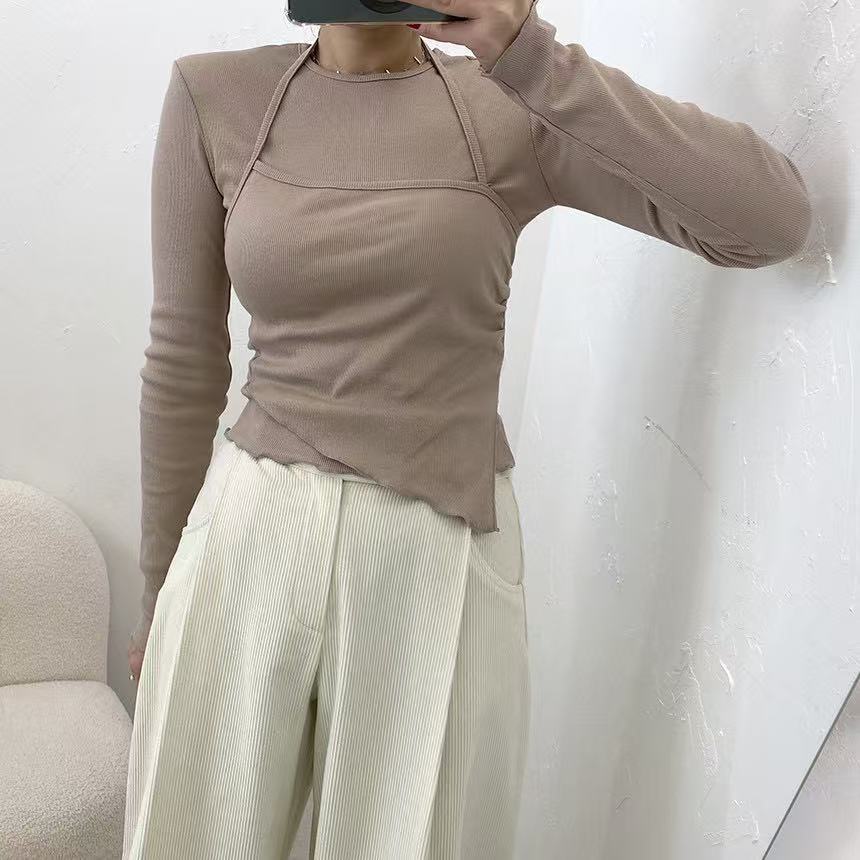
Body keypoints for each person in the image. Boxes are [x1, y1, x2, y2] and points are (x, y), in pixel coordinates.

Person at [122, 0, 813, 857]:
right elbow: (184, 359)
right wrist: (160, 591)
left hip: (437, 545)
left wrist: (531, 57)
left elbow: (770, 222)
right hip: (248, 537)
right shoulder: (214, 96)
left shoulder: (507, 102)